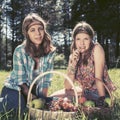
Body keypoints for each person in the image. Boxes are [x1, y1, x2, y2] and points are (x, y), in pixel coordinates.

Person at [0, 13, 56, 113]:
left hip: (34, 93)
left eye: (40, 28)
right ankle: (5, 100)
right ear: (27, 33)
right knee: (19, 108)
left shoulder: (49, 52)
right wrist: (30, 96)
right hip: (15, 89)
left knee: (53, 104)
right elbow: (20, 82)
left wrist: (42, 101)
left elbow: (46, 81)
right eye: (32, 30)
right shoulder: (20, 51)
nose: (38, 33)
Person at [64, 21, 116, 106]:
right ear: (74, 40)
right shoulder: (73, 56)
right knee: (54, 96)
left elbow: (98, 78)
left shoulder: (96, 49)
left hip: (98, 92)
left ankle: (97, 101)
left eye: (86, 39)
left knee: (65, 98)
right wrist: (73, 63)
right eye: (78, 39)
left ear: (91, 39)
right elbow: (67, 86)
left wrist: (102, 100)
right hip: (85, 91)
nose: (82, 43)